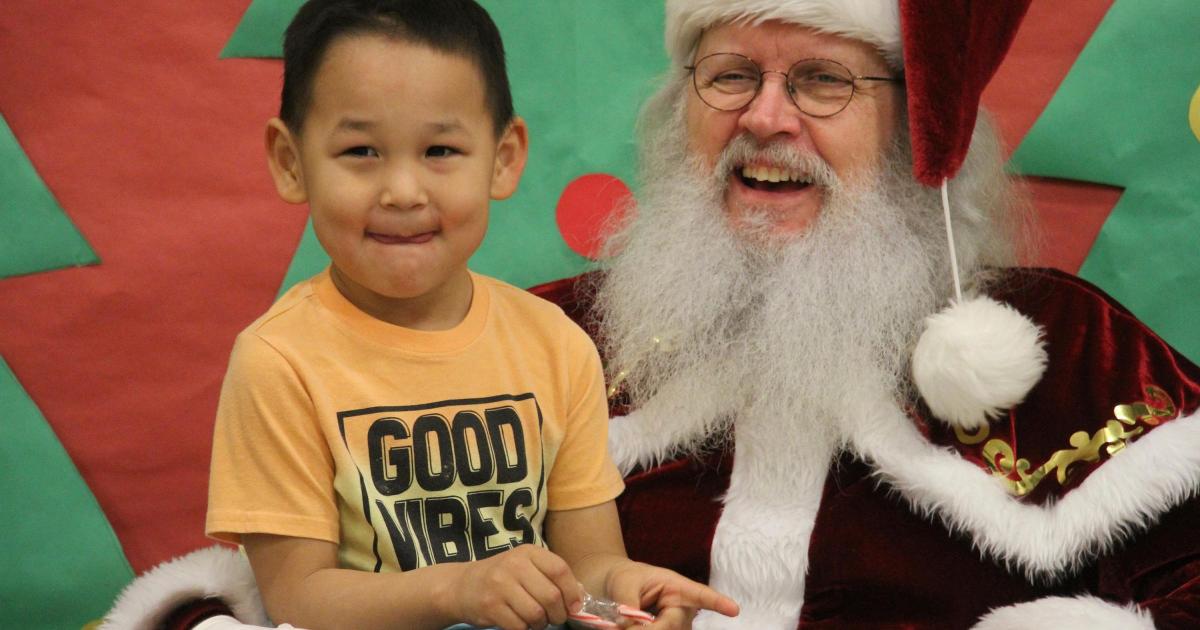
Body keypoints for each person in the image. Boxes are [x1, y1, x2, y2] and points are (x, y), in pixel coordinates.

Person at [104, 1, 1200, 628]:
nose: (764, 120)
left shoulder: (1062, 352)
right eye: (729, 75)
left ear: (919, 132)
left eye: (821, 81)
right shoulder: (551, 338)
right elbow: (299, 578)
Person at [102, 1, 739, 629]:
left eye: (439, 150)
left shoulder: (555, 344)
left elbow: (585, 571)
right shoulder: (281, 361)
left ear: (504, 155)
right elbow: (299, 598)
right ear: (292, 162)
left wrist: (626, 598)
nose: (403, 192)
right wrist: (457, 591)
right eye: (360, 152)